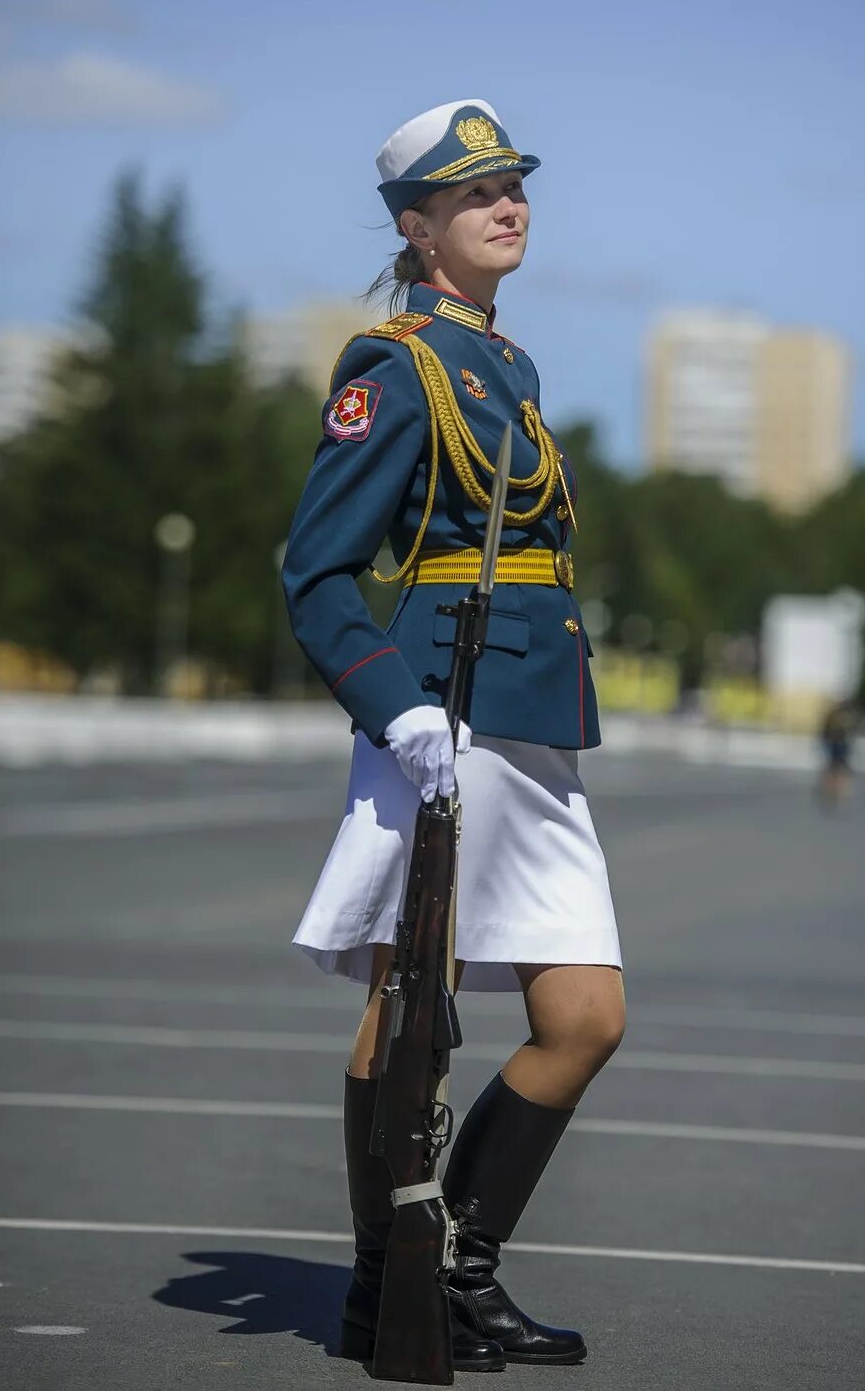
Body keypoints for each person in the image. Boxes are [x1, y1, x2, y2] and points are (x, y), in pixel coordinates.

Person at [281, 99, 624, 1373]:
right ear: (417, 226)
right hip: (442, 713)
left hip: (527, 724)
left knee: (584, 1013)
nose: (507, 202)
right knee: (406, 996)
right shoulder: (400, 366)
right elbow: (317, 572)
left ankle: (454, 1266)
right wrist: (399, 707)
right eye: (475, 191)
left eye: (514, 184)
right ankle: (392, 1284)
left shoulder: (505, 366)